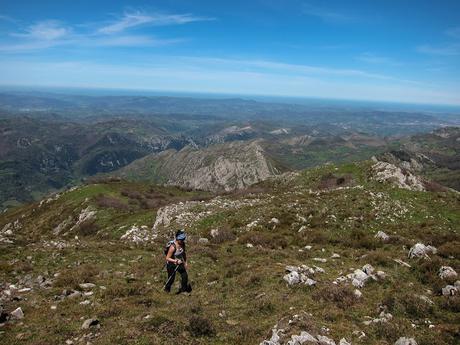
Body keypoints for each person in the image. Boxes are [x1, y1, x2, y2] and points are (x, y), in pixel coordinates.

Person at [164, 229, 191, 294]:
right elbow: (167, 258)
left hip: (179, 262)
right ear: (177, 239)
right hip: (171, 263)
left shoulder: (182, 244)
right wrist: (175, 261)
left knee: (185, 276)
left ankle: (183, 290)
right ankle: (167, 289)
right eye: (181, 240)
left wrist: (185, 262)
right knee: (171, 278)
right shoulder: (172, 247)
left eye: (183, 239)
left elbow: (183, 253)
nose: (182, 241)